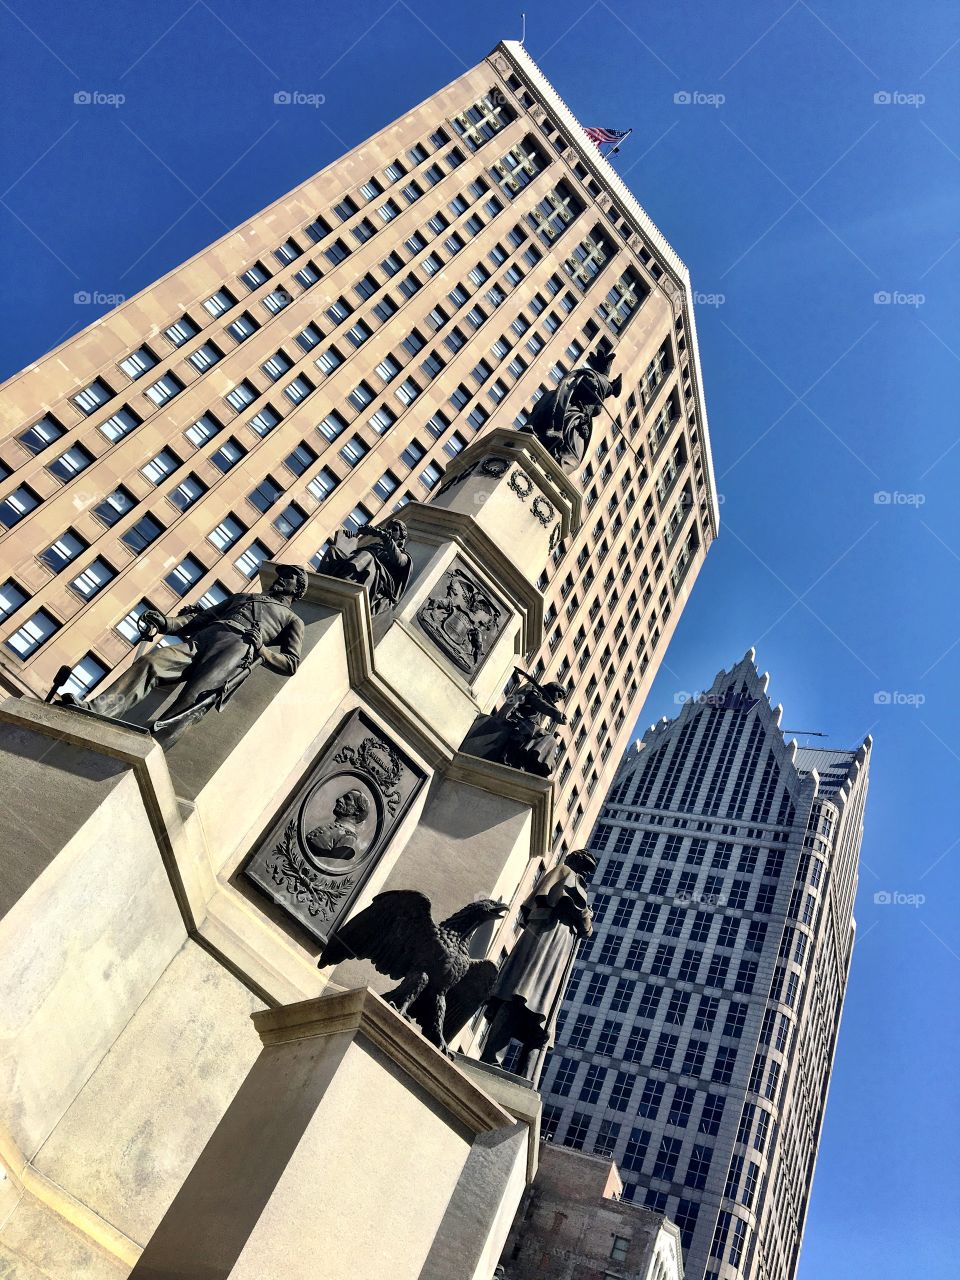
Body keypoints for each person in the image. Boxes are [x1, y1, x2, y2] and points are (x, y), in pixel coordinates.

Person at [61, 563, 307, 745]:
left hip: (237, 649)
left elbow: (291, 663)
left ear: (298, 589)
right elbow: (199, 619)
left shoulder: (293, 620)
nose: (283, 579)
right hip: (206, 637)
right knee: (151, 662)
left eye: (290, 578)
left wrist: (262, 650)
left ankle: (150, 746)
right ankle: (96, 710)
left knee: (191, 701)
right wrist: (166, 623)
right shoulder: (243, 597)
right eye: (283, 575)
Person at [480, 850, 596, 1079]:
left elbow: (587, 930)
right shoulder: (564, 871)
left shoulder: (581, 888)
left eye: (588, 870)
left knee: (542, 1012)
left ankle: (526, 1076)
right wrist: (581, 912)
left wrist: (582, 915)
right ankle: (492, 1058)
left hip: (561, 947)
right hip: (545, 936)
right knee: (520, 994)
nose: (585, 872)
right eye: (585, 866)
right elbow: (549, 897)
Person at [524, 338, 622, 470]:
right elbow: (583, 382)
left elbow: (596, 407)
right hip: (566, 408)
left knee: (572, 452)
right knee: (549, 397)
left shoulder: (590, 410)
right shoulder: (561, 394)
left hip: (576, 419)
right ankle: (534, 428)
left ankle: (558, 457)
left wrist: (599, 383)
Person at [460, 671, 568, 776]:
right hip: (515, 721)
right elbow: (535, 702)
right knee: (548, 738)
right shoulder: (532, 689)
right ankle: (528, 762)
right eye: (559, 695)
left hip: (525, 727)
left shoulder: (540, 707)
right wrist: (555, 713)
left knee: (549, 739)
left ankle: (532, 765)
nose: (558, 700)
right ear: (552, 689)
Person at [316, 519, 411, 615]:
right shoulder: (375, 546)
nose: (390, 530)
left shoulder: (405, 556)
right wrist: (349, 541)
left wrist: (386, 538)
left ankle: (347, 578)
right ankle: (318, 582)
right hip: (364, 568)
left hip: (380, 582)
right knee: (333, 550)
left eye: (394, 529)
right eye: (388, 528)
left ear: (402, 535)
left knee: (368, 555)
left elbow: (398, 561)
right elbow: (353, 554)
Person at [305, 788, 370, 863]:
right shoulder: (335, 828)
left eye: (347, 798)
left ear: (357, 811)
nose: (339, 799)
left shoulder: (348, 837)